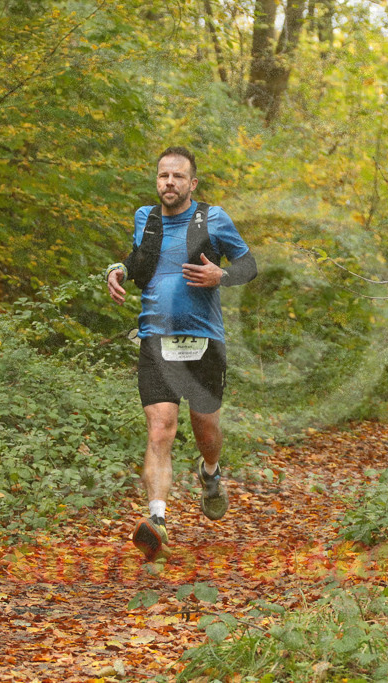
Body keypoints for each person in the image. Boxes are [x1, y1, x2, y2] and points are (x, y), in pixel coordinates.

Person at [105, 146, 257, 562]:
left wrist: (220, 274)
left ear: (192, 183)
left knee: (205, 429)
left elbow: (249, 266)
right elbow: (140, 262)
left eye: (177, 177)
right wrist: (116, 270)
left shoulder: (214, 218)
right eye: (162, 176)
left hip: (204, 340)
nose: (168, 183)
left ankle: (211, 473)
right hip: (156, 338)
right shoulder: (146, 218)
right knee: (160, 428)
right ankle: (157, 519)